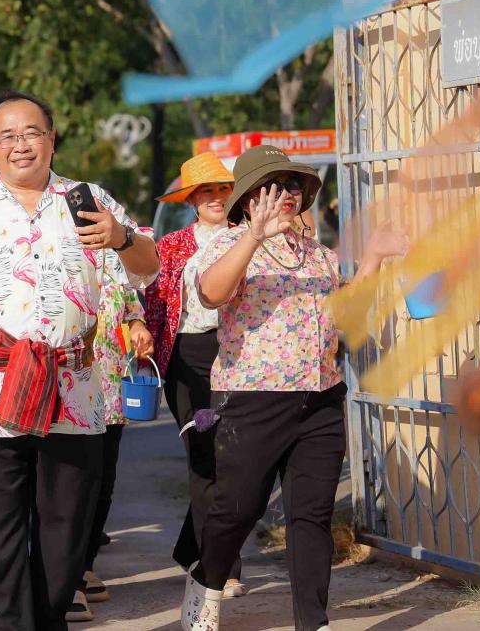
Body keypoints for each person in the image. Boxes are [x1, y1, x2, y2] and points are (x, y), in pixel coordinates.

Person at [0, 91, 159, 630]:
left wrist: (121, 237)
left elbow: (148, 267)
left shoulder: (89, 200)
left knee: (65, 539)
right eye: (7, 136)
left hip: (72, 394)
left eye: (31, 132)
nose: (20, 145)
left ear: (51, 138)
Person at [183, 145, 401, 631]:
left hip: (320, 398)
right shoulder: (227, 243)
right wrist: (254, 237)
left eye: (293, 185)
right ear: (248, 199)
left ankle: (313, 621)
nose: (287, 193)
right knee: (237, 508)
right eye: (273, 185)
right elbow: (212, 293)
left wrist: (375, 257)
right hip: (252, 399)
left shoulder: (318, 256)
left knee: (311, 515)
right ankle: (206, 581)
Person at [142, 153, 246, 594]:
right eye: (206, 191)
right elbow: (153, 302)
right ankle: (221, 567)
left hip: (240, 355)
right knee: (204, 455)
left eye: (223, 189)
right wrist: (143, 342)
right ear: (191, 199)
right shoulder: (169, 247)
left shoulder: (251, 238)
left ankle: (195, 547)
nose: (216, 197)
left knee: (236, 459)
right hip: (187, 357)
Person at [73, 246, 155, 620]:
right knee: (71, 487)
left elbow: (132, 312)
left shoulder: (113, 257)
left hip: (109, 390)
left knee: (102, 484)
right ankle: (66, 579)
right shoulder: (53, 249)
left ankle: (84, 564)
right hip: (66, 393)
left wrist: (138, 329)